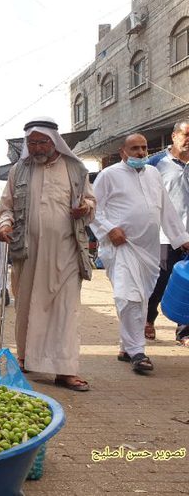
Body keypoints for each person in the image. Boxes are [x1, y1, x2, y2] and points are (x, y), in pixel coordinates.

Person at [0, 117, 95, 392]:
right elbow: (6, 207)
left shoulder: (75, 168)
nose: (37, 148)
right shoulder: (19, 170)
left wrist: (85, 208)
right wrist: (5, 224)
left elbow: (90, 200)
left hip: (66, 251)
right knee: (27, 306)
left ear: (54, 141)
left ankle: (65, 370)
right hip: (28, 252)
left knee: (64, 309)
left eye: (42, 142)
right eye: (32, 143)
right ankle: (27, 357)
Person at [91, 133, 189, 373]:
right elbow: (93, 208)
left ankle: (126, 347)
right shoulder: (108, 175)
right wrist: (109, 229)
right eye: (134, 148)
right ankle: (138, 352)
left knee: (141, 297)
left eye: (143, 148)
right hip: (121, 247)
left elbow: (166, 209)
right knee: (127, 297)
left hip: (149, 250)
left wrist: (181, 239)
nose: (140, 153)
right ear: (123, 152)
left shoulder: (154, 174)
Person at [144, 120, 189, 346]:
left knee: (187, 282)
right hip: (164, 235)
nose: (188, 140)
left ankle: (184, 332)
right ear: (174, 136)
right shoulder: (156, 163)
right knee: (159, 281)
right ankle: (149, 319)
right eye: (185, 135)